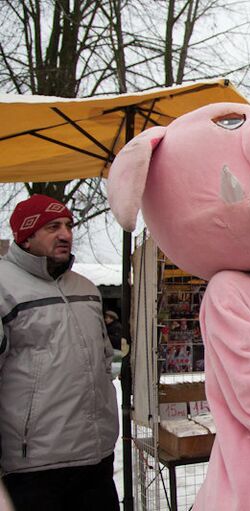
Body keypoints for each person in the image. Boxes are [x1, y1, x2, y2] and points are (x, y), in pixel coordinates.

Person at [0, 194, 119, 511]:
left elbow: (104, 361)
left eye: (68, 225)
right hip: (35, 466)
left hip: (96, 456)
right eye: (52, 227)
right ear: (25, 237)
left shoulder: (86, 288)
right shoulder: (3, 287)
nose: (66, 234)